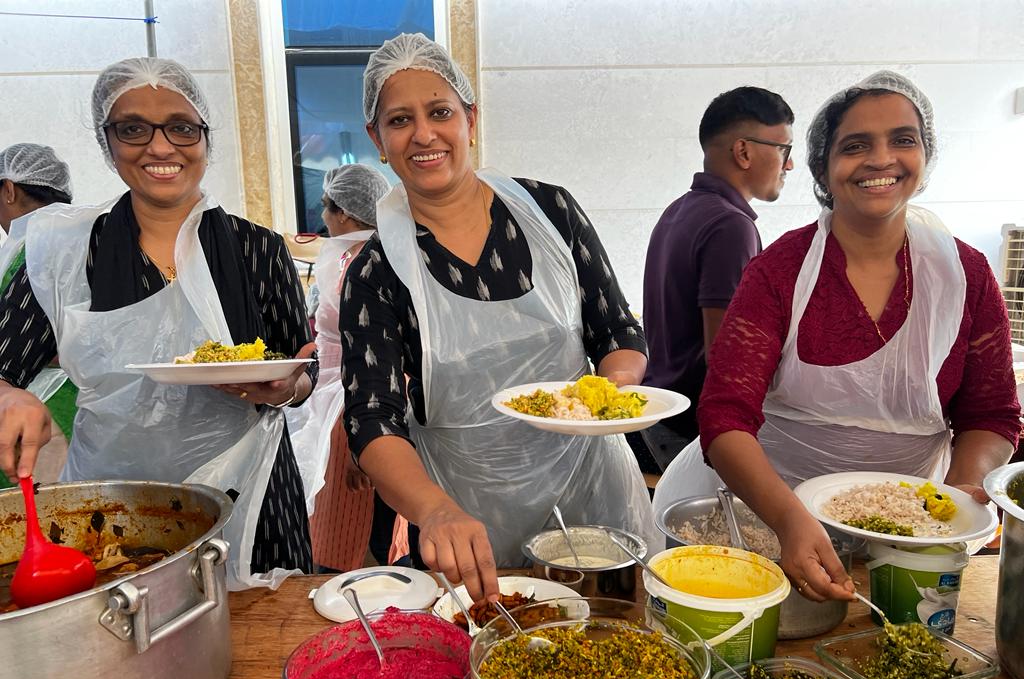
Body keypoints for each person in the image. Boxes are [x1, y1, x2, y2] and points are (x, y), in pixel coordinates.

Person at [667, 70, 1020, 602]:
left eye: (903, 140)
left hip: (910, 533)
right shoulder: (780, 270)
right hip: (761, 518)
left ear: (925, 158)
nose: (882, 159)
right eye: (856, 146)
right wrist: (788, 518)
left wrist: (960, 492)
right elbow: (724, 414)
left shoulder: (966, 276)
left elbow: (991, 415)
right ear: (823, 169)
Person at [341, 33, 654, 601]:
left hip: (591, 485)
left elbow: (618, 332)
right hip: (468, 514)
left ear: (470, 118)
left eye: (440, 112)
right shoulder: (376, 270)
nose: (424, 134)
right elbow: (372, 419)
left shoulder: (551, 212)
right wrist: (433, 511)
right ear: (377, 139)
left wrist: (607, 396)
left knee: (617, 636)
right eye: (399, 120)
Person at [0, 58, 318, 589]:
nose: (160, 146)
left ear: (204, 138)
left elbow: (302, 370)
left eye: (181, 126)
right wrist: (8, 395)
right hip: (115, 502)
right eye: (133, 129)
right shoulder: (68, 252)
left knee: (266, 633)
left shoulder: (257, 249)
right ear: (108, 141)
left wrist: (287, 388)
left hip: (249, 492)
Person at [634, 88, 793, 471]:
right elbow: (728, 356)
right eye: (785, 150)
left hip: (661, 412)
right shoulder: (730, 226)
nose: (789, 166)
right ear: (744, 152)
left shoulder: (680, 210)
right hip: (692, 430)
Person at [287, 163, 391, 572]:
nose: (324, 217)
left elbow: (359, 344)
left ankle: (355, 576)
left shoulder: (361, 263)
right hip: (333, 387)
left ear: (344, 213)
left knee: (349, 500)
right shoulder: (351, 254)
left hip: (352, 393)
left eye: (327, 208)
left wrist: (350, 422)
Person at [0, 143, 77, 487]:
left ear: (9, 189)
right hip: (71, 407)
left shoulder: (35, 245)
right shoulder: (78, 236)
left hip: (44, 411)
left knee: (45, 516)